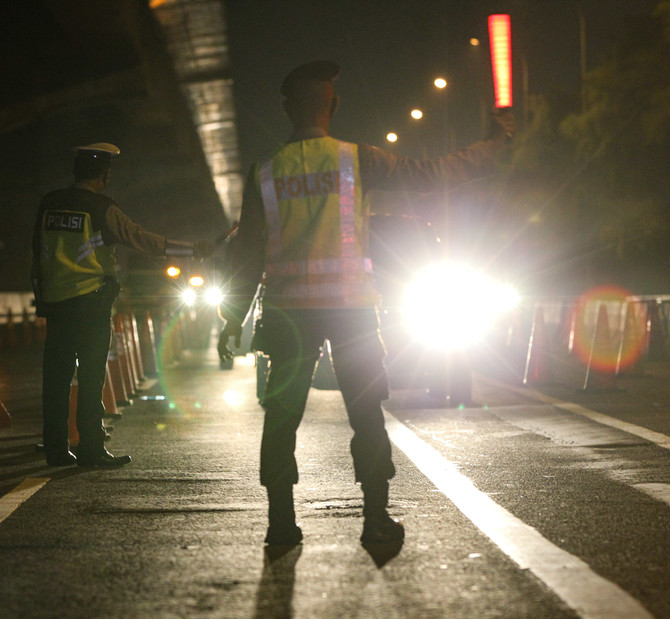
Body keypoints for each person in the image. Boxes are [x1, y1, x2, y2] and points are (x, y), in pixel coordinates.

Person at [217, 60, 515, 545]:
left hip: (289, 314)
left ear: (288, 109)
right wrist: (494, 144)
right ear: (333, 106)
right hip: (351, 310)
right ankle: (375, 519)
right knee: (366, 413)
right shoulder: (358, 159)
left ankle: (280, 525)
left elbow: (248, 254)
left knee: (281, 418)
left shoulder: (265, 170)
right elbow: (435, 173)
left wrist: (232, 319)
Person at [32, 143, 209, 467]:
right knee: (90, 377)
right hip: (89, 301)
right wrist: (194, 250)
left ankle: (56, 449)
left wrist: (42, 299)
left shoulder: (49, 204)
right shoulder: (101, 208)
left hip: (56, 303)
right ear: (105, 174)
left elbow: (37, 253)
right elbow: (140, 238)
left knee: (55, 379)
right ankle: (91, 449)